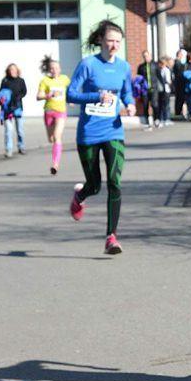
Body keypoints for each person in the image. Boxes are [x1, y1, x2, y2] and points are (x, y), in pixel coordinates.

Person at [66, 20, 135, 255]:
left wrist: (131, 104)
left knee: (115, 182)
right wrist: (96, 96)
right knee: (95, 185)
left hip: (113, 131)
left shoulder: (124, 67)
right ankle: (80, 195)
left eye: (118, 41)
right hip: (88, 133)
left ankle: (111, 237)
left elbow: (127, 91)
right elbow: (71, 94)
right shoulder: (88, 65)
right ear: (100, 41)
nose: (114, 45)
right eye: (110, 41)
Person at [36, 56, 70, 173]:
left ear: (60, 69)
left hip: (61, 111)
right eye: (52, 68)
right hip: (49, 111)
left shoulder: (65, 79)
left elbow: (71, 90)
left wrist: (70, 100)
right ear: (49, 70)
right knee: (51, 139)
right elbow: (38, 96)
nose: (54, 70)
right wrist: (49, 95)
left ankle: (55, 164)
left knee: (57, 137)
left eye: (56, 68)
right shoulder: (45, 81)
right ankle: (55, 153)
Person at [0, 63, 27, 156]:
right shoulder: (5, 81)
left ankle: (21, 147)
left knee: (20, 130)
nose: (13, 71)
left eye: (14, 69)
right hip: (7, 110)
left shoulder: (21, 80)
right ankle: (9, 150)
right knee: (8, 130)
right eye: (11, 69)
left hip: (18, 108)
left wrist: (18, 97)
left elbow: (24, 91)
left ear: (17, 70)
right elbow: (1, 93)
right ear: (8, 71)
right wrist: (2, 100)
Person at [136, 49, 159, 129]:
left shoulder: (155, 65)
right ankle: (148, 121)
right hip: (144, 89)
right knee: (145, 105)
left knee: (154, 104)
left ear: (150, 56)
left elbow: (159, 76)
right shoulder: (141, 67)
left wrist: (163, 85)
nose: (146, 58)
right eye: (144, 56)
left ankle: (156, 119)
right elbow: (138, 78)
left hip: (154, 88)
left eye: (147, 56)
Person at [156, 56, 172, 127]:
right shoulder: (166, 70)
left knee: (163, 105)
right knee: (165, 105)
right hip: (166, 89)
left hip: (162, 89)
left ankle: (163, 119)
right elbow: (168, 81)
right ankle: (166, 119)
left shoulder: (161, 70)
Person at [172, 48, 187, 120]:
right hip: (179, 84)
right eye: (181, 54)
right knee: (179, 98)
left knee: (180, 98)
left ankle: (179, 112)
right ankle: (178, 112)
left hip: (179, 83)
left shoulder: (178, 63)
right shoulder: (177, 63)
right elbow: (180, 74)